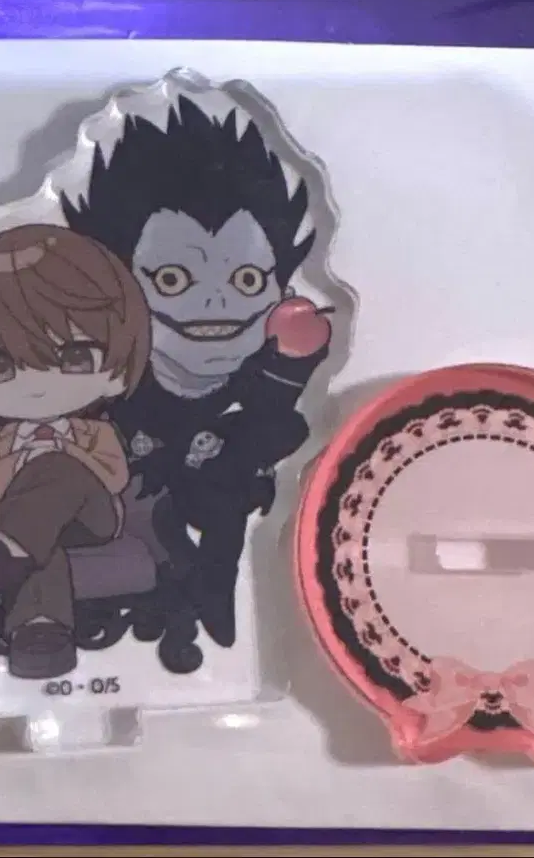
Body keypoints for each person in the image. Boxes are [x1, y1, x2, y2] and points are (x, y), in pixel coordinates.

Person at [62, 96, 332, 648]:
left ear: (280, 286)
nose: (215, 303)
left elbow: (271, 428)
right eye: (171, 280)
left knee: (227, 493)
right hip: (133, 489)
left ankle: (212, 606)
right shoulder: (104, 381)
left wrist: (290, 362)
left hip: (239, 507)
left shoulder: (274, 368)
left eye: (248, 281)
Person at [0, 223, 150, 678]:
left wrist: (56, 459)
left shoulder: (93, 431)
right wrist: (19, 464)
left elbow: (114, 478)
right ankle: (39, 635)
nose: (37, 382)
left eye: (75, 357)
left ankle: (5, 545)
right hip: (14, 531)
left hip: (91, 519)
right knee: (38, 550)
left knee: (59, 468)